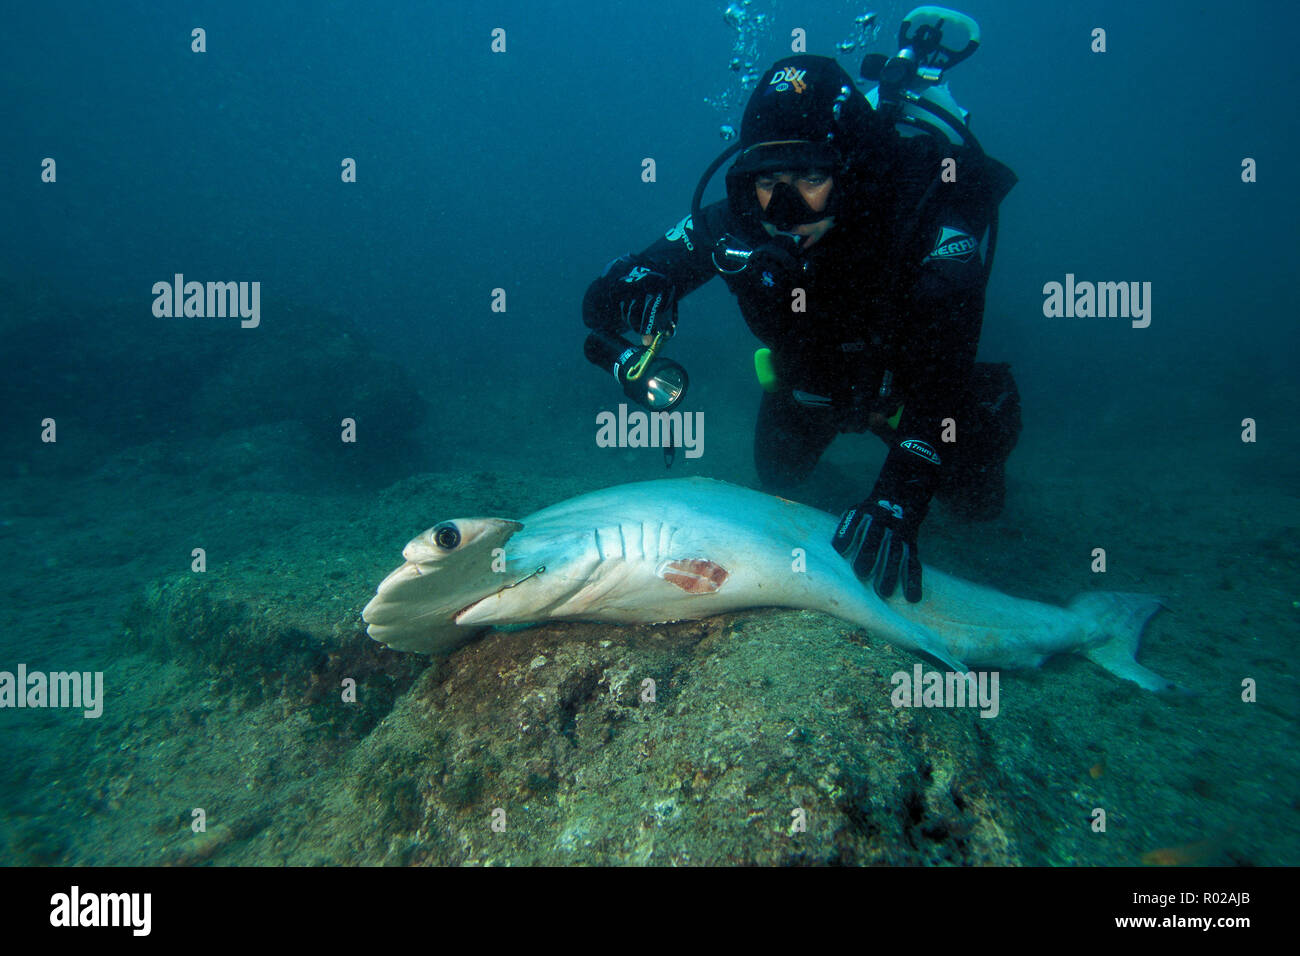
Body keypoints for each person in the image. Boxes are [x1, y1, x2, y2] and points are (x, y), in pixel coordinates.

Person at [582, 52, 1019, 604]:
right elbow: (599, 304)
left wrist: (897, 498)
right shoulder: (732, 223)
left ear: (852, 170)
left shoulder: (924, 217)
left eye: (812, 177)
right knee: (777, 473)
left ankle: (991, 402)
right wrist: (630, 320)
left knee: (979, 503)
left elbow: (946, 368)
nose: (785, 207)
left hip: (917, 390)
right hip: (812, 384)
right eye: (768, 180)